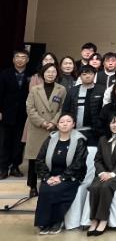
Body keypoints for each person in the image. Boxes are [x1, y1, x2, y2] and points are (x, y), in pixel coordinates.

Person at [34, 113, 88, 234]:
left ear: (73, 124)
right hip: (50, 175)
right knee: (45, 189)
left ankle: (57, 221)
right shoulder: (50, 138)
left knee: (57, 189)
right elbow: (40, 160)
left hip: (71, 176)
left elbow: (78, 163)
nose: (65, 124)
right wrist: (47, 177)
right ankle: (44, 222)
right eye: (62, 122)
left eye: (68, 121)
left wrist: (62, 177)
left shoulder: (80, 140)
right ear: (57, 125)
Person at [25, 63, 68, 198]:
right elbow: (30, 109)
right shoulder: (35, 89)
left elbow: (62, 108)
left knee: (51, 158)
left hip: (53, 128)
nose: (50, 74)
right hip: (37, 128)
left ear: (57, 74)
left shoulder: (61, 89)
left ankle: (49, 184)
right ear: (43, 74)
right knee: (34, 159)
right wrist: (42, 122)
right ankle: (32, 186)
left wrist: (53, 122)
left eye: (53, 72)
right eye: (48, 72)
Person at [0, 49, 31, 179]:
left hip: (24, 115)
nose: (20, 59)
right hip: (6, 113)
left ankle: (15, 167)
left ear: (27, 60)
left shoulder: (31, 75)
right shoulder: (4, 74)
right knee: (4, 142)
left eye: (23, 57)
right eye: (17, 57)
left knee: (19, 143)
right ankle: (3, 168)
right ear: (13, 59)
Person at [62, 64, 106, 145]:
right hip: (75, 131)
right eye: (84, 74)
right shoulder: (73, 91)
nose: (87, 76)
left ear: (94, 75)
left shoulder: (102, 90)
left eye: (90, 74)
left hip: (96, 132)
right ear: (80, 76)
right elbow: (65, 110)